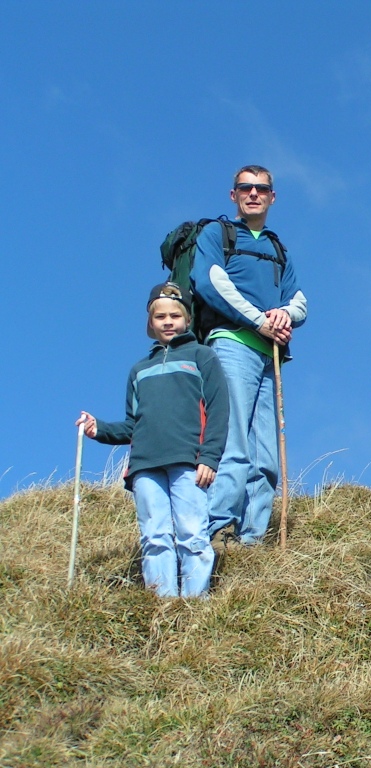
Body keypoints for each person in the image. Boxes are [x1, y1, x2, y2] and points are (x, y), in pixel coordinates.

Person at [76, 282, 229, 598]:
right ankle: (162, 602)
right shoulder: (139, 370)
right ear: (150, 322)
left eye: (175, 315)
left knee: (192, 534)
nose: (168, 322)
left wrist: (209, 457)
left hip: (189, 461)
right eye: (160, 317)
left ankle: (195, 603)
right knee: (154, 536)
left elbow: (218, 410)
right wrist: (98, 428)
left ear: (187, 319)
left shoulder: (202, 357)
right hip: (145, 465)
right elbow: (133, 425)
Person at [192, 165, 307, 547]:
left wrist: (283, 315)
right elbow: (210, 281)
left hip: (269, 356)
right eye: (245, 188)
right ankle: (206, 531)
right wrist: (259, 320)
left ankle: (250, 540)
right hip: (231, 344)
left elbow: (299, 301)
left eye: (261, 188)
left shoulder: (277, 248)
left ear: (273, 197)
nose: (253, 194)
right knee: (233, 443)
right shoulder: (217, 233)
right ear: (234, 195)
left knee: (266, 458)